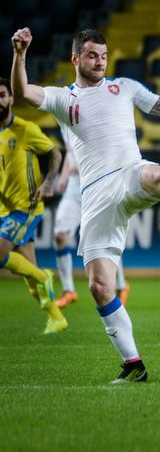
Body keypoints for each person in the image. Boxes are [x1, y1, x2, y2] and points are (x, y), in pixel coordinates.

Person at [11, 27, 160, 383]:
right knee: (100, 287)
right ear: (75, 59)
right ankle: (134, 365)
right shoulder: (61, 97)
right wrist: (20, 54)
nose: (99, 62)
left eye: (103, 55)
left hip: (130, 173)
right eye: (91, 56)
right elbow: (23, 93)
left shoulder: (125, 87)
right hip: (96, 198)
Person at [0, 76, 67, 334]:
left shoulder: (25, 129)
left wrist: (49, 182)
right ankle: (56, 317)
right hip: (4, 209)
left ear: (11, 98)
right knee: (28, 273)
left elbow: (55, 153)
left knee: (4, 256)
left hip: (25, 207)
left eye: (2, 94)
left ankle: (44, 277)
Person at [53, 126, 130, 309]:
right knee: (60, 236)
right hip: (73, 190)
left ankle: (121, 286)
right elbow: (70, 154)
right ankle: (68, 290)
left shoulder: (94, 115)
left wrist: (81, 168)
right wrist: (63, 177)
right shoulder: (64, 118)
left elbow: (110, 153)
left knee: (105, 240)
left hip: (97, 188)